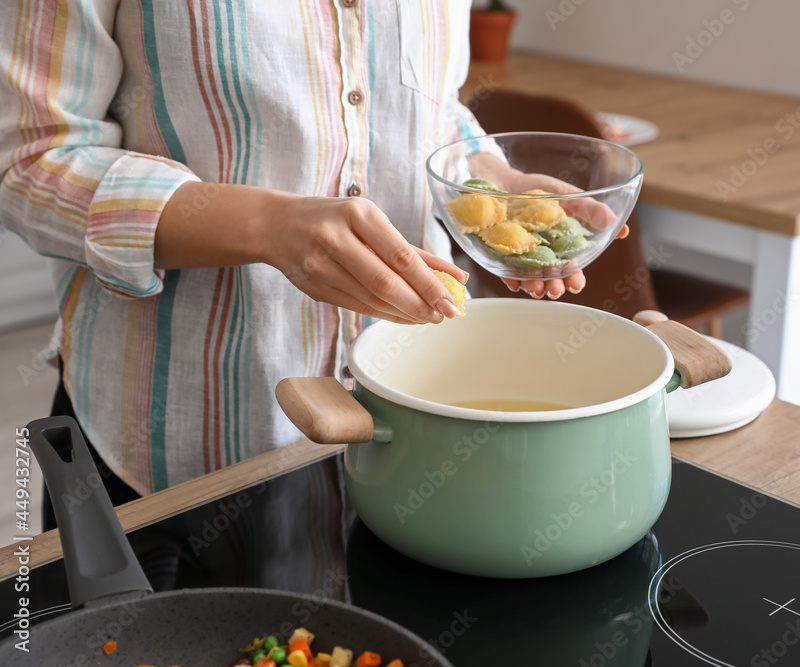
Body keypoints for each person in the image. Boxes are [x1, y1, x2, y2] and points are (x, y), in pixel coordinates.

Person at [0, 1, 618, 517]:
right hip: (171, 449)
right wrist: (270, 227)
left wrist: (485, 179)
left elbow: (429, 104)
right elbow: (27, 161)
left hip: (415, 414)